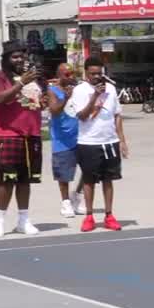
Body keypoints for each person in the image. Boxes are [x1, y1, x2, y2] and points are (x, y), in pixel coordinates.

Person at [0, 42, 44, 237]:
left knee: (25, 180)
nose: (20, 60)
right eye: (15, 57)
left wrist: (42, 102)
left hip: (32, 133)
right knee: (6, 179)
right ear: (6, 59)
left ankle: (23, 220)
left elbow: (35, 102)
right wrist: (21, 83)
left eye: (22, 56)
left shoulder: (33, 78)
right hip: (8, 134)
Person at [65, 56, 128, 232]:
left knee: (109, 179)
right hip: (88, 142)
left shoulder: (112, 89)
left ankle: (109, 215)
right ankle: (89, 216)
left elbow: (117, 115)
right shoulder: (79, 90)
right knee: (89, 180)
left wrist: (122, 140)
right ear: (86, 73)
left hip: (109, 141)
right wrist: (95, 96)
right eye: (92, 74)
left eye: (99, 73)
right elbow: (82, 116)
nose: (96, 77)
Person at [47, 63, 84, 219]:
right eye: (66, 75)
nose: (70, 77)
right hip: (61, 139)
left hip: (81, 136)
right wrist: (66, 98)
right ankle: (65, 201)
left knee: (89, 169)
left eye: (71, 74)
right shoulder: (52, 90)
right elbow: (54, 111)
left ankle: (77, 194)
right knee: (64, 174)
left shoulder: (78, 89)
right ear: (59, 75)